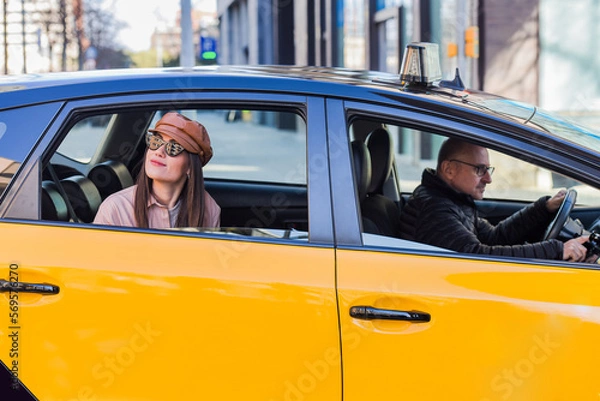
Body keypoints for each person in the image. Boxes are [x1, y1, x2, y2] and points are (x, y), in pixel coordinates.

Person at [399, 138, 591, 262]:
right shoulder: (434, 208)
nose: (488, 179)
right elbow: (478, 257)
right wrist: (557, 250)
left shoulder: (453, 199)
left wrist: (544, 208)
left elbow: (494, 237)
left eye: (487, 170)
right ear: (449, 169)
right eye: (479, 170)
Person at [94, 112, 221, 229]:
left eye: (173, 147)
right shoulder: (115, 208)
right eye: (156, 141)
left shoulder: (209, 209)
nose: (159, 152)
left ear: (190, 167)